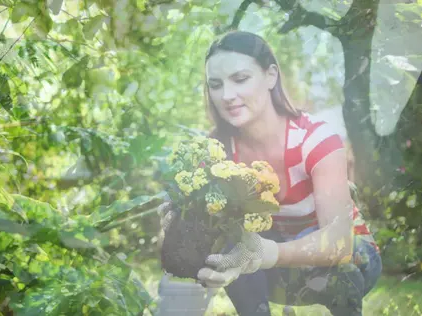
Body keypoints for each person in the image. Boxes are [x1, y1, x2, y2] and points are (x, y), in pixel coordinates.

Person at [160, 31, 382, 316]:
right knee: (222, 230)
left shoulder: (316, 141)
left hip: (348, 261)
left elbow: (339, 243)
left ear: (271, 76)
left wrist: (265, 253)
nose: (227, 96)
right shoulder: (216, 151)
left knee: (345, 268)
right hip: (270, 269)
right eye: (216, 85)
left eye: (240, 79)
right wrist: (182, 220)